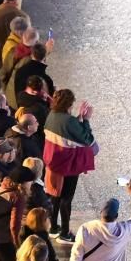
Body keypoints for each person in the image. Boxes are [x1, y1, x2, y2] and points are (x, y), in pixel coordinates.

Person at [43, 90, 98, 239]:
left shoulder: (51, 115)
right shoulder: (69, 121)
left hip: (53, 162)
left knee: (54, 195)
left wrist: (78, 119)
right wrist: (86, 119)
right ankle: (65, 233)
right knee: (66, 198)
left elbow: (67, 130)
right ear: (69, 104)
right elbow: (87, 139)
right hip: (68, 165)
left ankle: (53, 227)